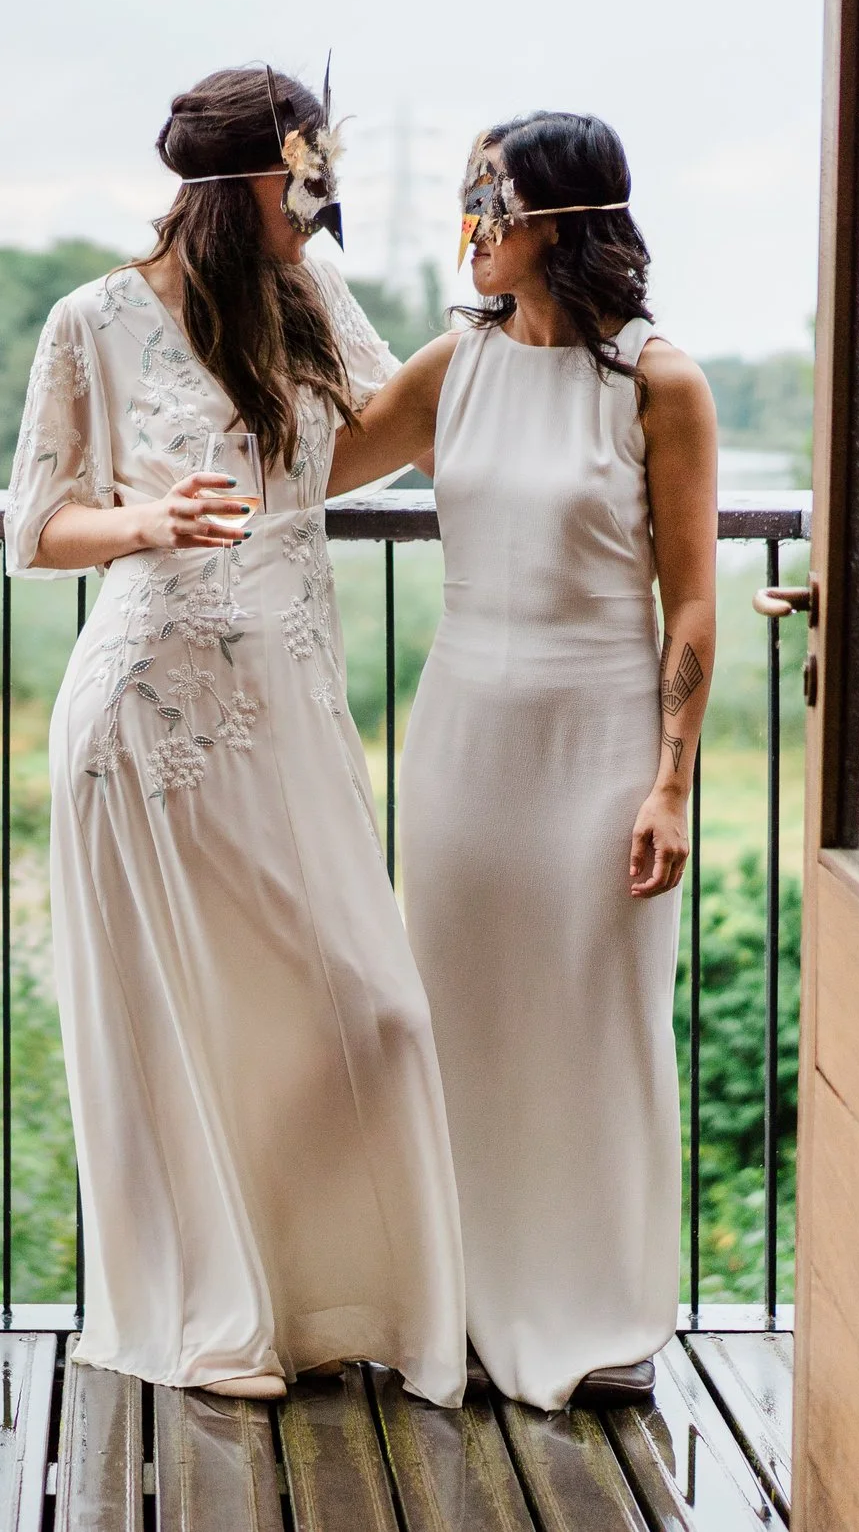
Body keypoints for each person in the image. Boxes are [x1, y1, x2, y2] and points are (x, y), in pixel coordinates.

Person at [6, 66, 466, 1407]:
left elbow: (370, 446)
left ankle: (339, 1299)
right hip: (147, 716)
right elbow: (38, 527)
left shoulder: (313, 298)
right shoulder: (90, 320)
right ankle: (223, 1314)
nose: (318, 212)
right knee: (183, 1025)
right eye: (300, 184)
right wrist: (146, 522)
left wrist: (478, 339)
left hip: (291, 704)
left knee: (359, 1009)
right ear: (236, 184)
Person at [330, 112, 719, 1410]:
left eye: (486, 199)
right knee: (461, 1026)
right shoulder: (459, 363)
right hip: (465, 742)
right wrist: (296, 294)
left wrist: (671, 780)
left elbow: (697, 601)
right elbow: (322, 463)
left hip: (597, 738)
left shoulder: (656, 382)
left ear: (552, 217)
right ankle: (464, 1302)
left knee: (598, 1027)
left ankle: (601, 1314)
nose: (470, 224)